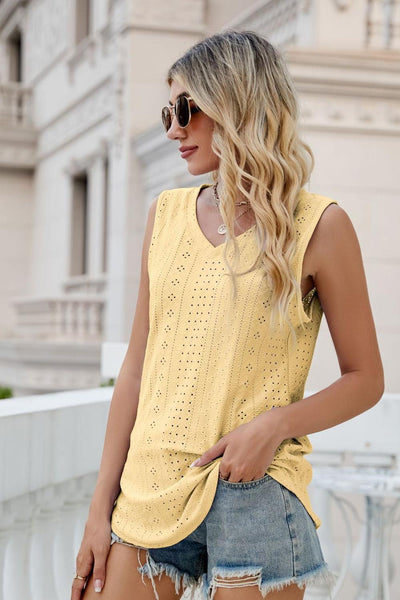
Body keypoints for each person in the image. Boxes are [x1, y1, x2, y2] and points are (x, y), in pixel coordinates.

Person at [71, 31, 384, 600]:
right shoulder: (165, 215)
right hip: (148, 490)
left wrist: (273, 426)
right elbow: (136, 370)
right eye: (167, 113)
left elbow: (365, 379)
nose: (173, 130)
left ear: (237, 103)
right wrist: (100, 510)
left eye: (185, 109)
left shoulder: (320, 226)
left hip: (254, 491)